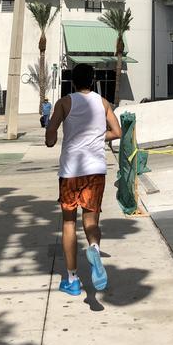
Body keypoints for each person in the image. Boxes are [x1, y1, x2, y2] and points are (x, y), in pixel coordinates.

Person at [45, 63, 121, 297]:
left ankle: (72, 279)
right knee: (91, 222)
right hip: (96, 171)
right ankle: (94, 248)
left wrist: (56, 129)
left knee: (69, 223)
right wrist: (98, 137)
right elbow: (117, 132)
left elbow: (49, 140)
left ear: (72, 81)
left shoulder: (64, 103)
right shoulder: (103, 102)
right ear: (93, 80)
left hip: (70, 172)